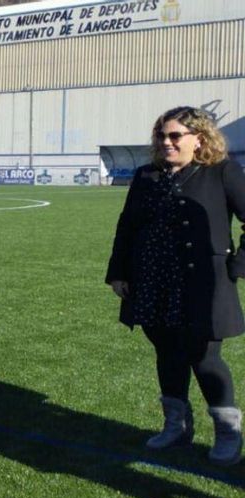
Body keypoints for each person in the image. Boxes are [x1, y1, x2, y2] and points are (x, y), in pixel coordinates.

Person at [106, 106, 245, 466]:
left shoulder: (223, 172)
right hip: (152, 281)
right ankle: (177, 426)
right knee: (167, 354)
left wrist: (235, 266)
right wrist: (118, 272)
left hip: (204, 285)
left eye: (174, 136)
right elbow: (127, 227)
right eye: (161, 136)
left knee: (205, 358)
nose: (166, 142)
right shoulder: (146, 176)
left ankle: (228, 433)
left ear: (199, 138)